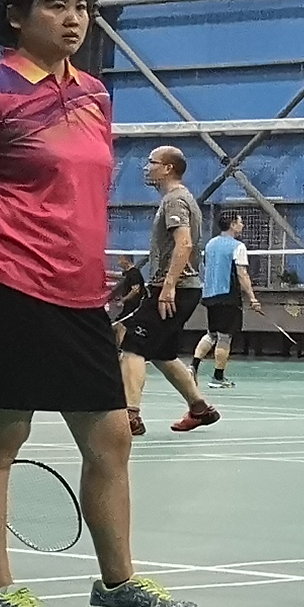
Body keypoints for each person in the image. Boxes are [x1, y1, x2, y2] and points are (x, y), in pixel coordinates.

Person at [0, 0, 194, 607]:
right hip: (7, 281)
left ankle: (117, 585)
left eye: (81, 7)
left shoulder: (95, 95)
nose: (73, 19)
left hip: (80, 291)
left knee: (110, 436)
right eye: (56, 6)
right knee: (1, 436)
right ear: (17, 17)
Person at [116, 147, 219, 437]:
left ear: (168, 168)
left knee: (132, 348)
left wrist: (168, 286)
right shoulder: (178, 199)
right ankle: (199, 409)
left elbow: (184, 243)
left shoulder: (175, 200)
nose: (146, 167)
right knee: (162, 354)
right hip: (179, 288)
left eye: (152, 163)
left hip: (173, 288)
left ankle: (130, 415)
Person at [193, 219, 253, 389]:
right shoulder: (238, 246)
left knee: (212, 334)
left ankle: (193, 367)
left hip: (210, 295)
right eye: (241, 222)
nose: (243, 225)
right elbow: (242, 274)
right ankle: (218, 377)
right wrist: (252, 297)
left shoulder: (210, 244)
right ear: (233, 224)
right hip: (228, 296)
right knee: (225, 337)